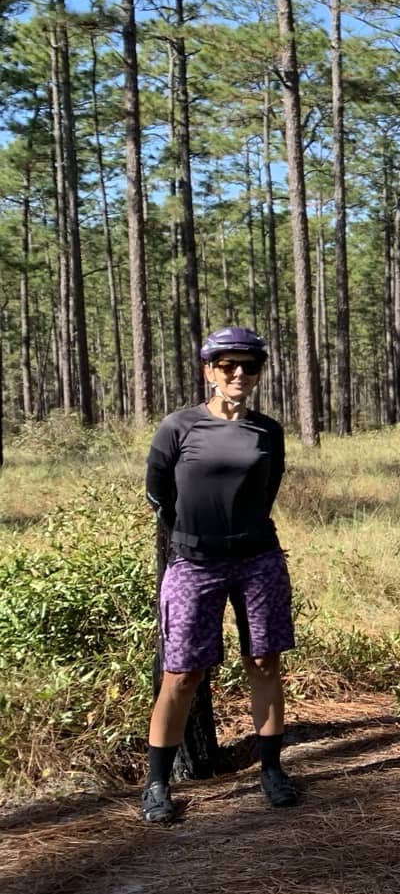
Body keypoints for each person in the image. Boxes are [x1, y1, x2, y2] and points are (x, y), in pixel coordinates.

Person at [141, 325, 298, 823]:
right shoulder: (178, 427)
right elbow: (158, 495)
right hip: (193, 560)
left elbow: (267, 490)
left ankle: (271, 770)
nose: (238, 374)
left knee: (265, 661)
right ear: (209, 369)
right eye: (227, 365)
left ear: (259, 373)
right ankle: (157, 783)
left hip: (258, 559)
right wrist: (193, 535)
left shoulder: (268, 431)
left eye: (249, 366)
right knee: (182, 673)